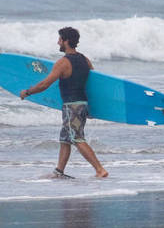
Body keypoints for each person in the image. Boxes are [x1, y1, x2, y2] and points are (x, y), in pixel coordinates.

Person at [20, 27, 109, 178]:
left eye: (60, 39)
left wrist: (27, 92)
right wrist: (92, 108)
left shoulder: (63, 62)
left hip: (72, 105)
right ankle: (59, 171)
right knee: (65, 138)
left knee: (76, 138)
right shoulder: (84, 60)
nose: (58, 42)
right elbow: (94, 84)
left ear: (66, 41)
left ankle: (100, 170)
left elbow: (44, 84)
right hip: (82, 103)